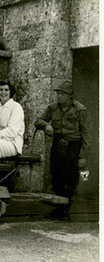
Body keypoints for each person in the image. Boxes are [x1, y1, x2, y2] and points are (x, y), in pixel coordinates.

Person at [35, 80, 90, 220]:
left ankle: (66, 209)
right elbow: (38, 121)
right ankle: (59, 208)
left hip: (74, 146)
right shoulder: (52, 107)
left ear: (69, 95)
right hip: (57, 145)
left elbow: (87, 135)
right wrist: (46, 125)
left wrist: (83, 156)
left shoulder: (80, 109)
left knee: (70, 177)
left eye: (62, 94)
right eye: (58, 93)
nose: (59, 96)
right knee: (56, 175)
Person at [0, 81, 25, 188]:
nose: (3, 92)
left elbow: (12, 131)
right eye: (1, 90)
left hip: (12, 143)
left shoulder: (16, 107)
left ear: (10, 92)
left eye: (6, 90)